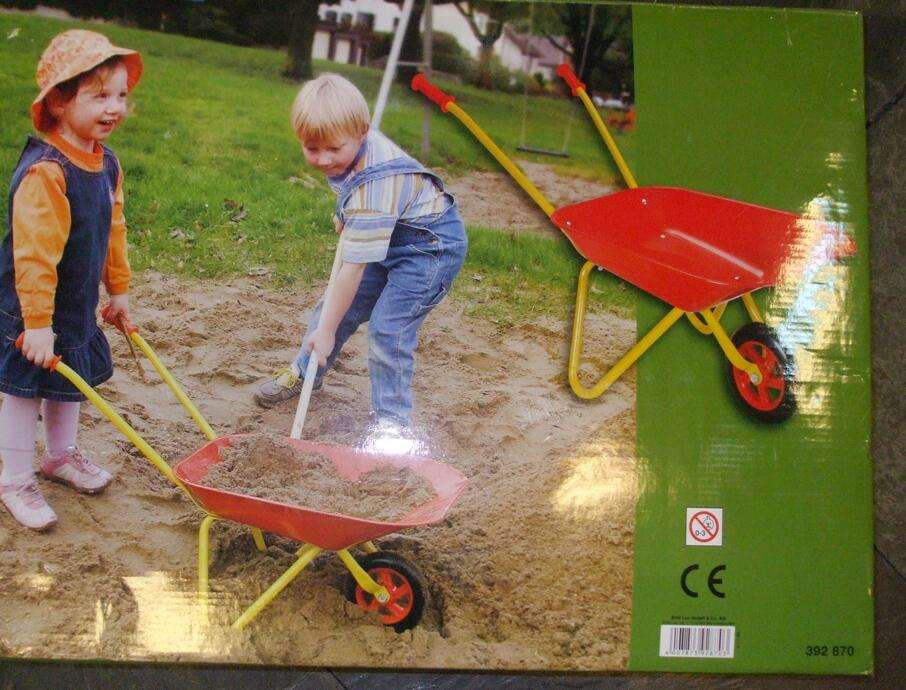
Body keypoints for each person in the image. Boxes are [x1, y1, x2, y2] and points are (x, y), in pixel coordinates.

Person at [255, 74, 467, 443]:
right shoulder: (349, 150)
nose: (323, 159)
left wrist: (326, 333)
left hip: (429, 249)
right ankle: (307, 372)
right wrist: (347, 215)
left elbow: (352, 270)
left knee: (388, 329)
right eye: (311, 148)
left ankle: (392, 425)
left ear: (362, 133)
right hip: (390, 231)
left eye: (333, 149)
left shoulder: (374, 187)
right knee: (332, 310)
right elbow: (353, 194)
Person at [0, 30, 143, 530]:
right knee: (25, 390)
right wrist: (37, 324)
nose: (115, 107)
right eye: (100, 96)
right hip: (31, 306)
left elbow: (113, 230)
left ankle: (60, 456)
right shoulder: (47, 173)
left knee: (70, 378)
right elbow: (34, 257)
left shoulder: (107, 162)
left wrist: (118, 292)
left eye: (120, 95)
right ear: (59, 102)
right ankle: (14, 478)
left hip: (76, 301)